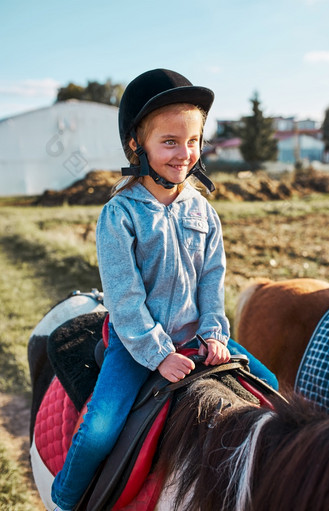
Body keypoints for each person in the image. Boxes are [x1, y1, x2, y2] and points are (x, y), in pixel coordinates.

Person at [52, 68, 278, 511]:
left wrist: (213, 333)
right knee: (99, 429)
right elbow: (125, 297)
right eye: (170, 142)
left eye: (192, 141)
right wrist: (158, 354)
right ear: (137, 146)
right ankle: (64, 499)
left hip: (197, 334)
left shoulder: (204, 211)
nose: (184, 153)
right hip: (138, 343)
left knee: (273, 392)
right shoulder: (119, 215)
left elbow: (213, 278)